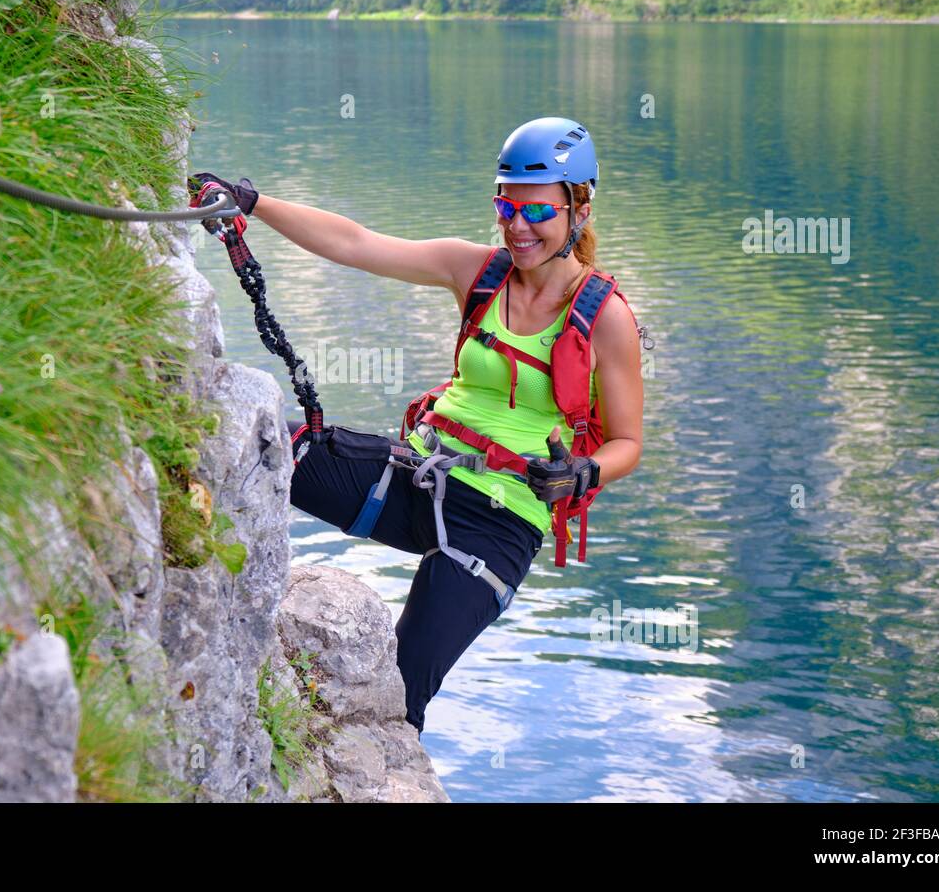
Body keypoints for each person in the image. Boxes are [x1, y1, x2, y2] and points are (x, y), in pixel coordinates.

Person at [190, 117, 644, 736]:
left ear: (579, 208)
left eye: (536, 211)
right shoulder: (479, 271)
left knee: (400, 700)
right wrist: (252, 202)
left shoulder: (607, 318)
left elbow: (628, 443)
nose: (517, 226)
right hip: (417, 477)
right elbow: (356, 243)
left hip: (501, 523)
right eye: (506, 205)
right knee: (253, 445)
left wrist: (582, 471)